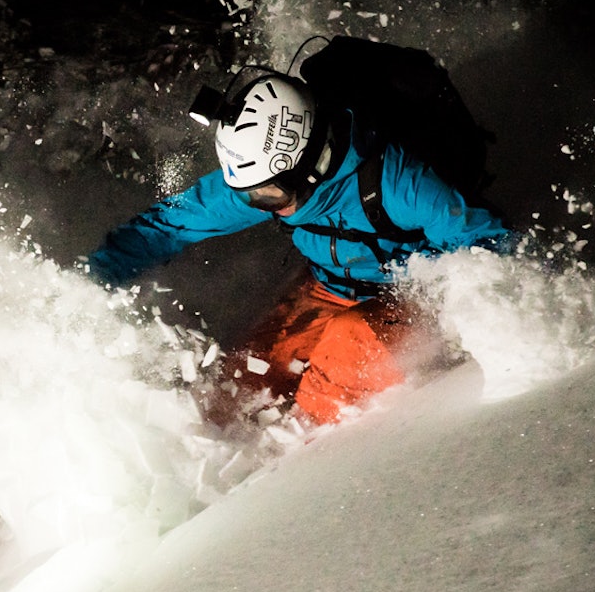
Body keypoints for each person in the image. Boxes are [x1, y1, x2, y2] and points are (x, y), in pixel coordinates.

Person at [83, 52, 512, 430]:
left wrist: (477, 315)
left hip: (418, 297)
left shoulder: (399, 182)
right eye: (251, 193)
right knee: (242, 382)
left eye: (267, 194)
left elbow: (490, 244)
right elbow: (170, 224)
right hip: (334, 288)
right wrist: (88, 283)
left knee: (331, 377)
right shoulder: (268, 179)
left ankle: (291, 475)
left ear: (311, 164)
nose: (256, 204)